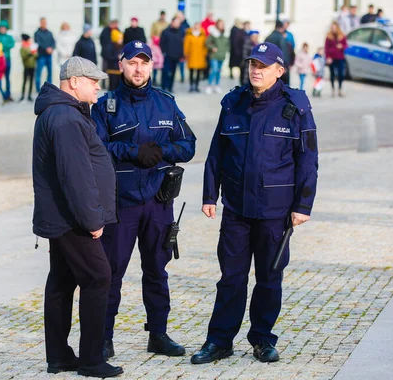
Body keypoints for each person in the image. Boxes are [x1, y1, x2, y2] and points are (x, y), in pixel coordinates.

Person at [191, 42, 318, 366]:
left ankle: (262, 339)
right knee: (231, 278)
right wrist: (210, 195)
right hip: (236, 210)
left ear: (280, 70)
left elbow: (308, 160)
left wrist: (302, 206)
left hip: (275, 213)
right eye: (252, 64)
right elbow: (216, 153)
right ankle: (219, 341)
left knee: (269, 278)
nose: (255, 70)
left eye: (263, 65)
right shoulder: (233, 103)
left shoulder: (295, 106)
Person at [91, 40, 196, 362]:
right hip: (121, 204)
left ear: (152, 66)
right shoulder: (105, 105)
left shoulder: (166, 103)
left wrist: (162, 151)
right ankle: (103, 339)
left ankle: (158, 334)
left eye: (144, 63)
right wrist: (132, 151)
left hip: (158, 202)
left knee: (157, 271)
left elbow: (188, 145)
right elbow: (96, 147)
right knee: (111, 274)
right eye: (132, 62)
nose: (138, 69)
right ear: (120, 64)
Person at [33, 56, 124, 379]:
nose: (99, 86)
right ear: (74, 82)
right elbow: (76, 175)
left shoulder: (63, 113)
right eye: (93, 81)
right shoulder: (65, 118)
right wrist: (92, 220)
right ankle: (91, 359)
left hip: (63, 215)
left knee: (62, 280)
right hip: (71, 218)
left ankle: (58, 356)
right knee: (98, 276)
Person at [0, 20, 15, 101]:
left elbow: (11, 44)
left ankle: (8, 94)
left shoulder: (9, 37)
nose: (2, 29)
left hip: (7, 60)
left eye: (4, 28)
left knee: (7, 78)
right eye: (1, 28)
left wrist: (1, 47)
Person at [160, 17, 184, 93]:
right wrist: (164, 52)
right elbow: (162, 43)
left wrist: (181, 54)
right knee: (165, 72)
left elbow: (182, 44)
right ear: (172, 22)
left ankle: (170, 87)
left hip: (176, 56)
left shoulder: (181, 32)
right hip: (167, 55)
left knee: (173, 73)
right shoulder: (165, 32)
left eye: (179, 23)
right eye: (176, 22)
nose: (177, 24)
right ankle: (164, 87)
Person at [206, 19, 229, 94]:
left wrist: (226, 51)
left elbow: (228, 45)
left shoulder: (225, 34)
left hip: (221, 56)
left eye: (223, 24)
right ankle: (209, 85)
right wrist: (212, 47)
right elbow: (207, 42)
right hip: (214, 56)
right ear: (217, 25)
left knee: (219, 71)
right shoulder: (214, 34)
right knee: (214, 70)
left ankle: (217, 85)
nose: (222, 25)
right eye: (220, 24)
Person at [324, 22, 347, 97]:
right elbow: (326, 48)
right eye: (332, 28)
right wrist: (327, 57)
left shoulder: (342, 36)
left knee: (341, 74)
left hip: (340, 57)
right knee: (332, 74)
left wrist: (342, 46)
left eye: (335, 27)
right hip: (332, 58)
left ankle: (340, 89)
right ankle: (333, 89)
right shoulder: (329, 37)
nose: (333, 29)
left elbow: (346, 45)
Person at [183, 22, 208, 93]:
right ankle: (191, 86)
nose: (197, 27)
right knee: (191, 72)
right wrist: (186, 54)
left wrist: (204, 54)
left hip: (200, 56)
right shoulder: (189, 35)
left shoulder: (203, 35)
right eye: (196, 25)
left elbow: (205, 46)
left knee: (198, 72)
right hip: (192, 56)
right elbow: (186, 46)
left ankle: (197, 86)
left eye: (198, 26)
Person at [265, 21, 290, 85]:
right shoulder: (281, 38)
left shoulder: (268, 37)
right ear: (281, 28)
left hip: (268, 65)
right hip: (278, 65)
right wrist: (285, 66)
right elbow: (284, 52)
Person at [35, 17, 56, 92]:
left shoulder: (49, 33)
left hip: (49, 56)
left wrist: (51, 48)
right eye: (42, 22)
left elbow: (53, 42)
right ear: (40, 23)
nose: (44, 24)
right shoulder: (37, 33)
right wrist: (46, 49)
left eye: (45, 22)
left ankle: (48, 89)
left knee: (50, 73)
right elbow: (38, 43)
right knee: (38, 73)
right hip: (41, 56)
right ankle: (38, 90)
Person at [19, 33, 36, 102]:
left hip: (32, 66)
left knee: (31, 81)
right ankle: (23, 95)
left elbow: (36, 55)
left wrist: (34, 53)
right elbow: (24, 57)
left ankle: (29, 95)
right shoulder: (23, 48)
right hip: (26, 66)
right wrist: (30, 53)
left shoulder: (31, 47)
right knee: (25, 81)